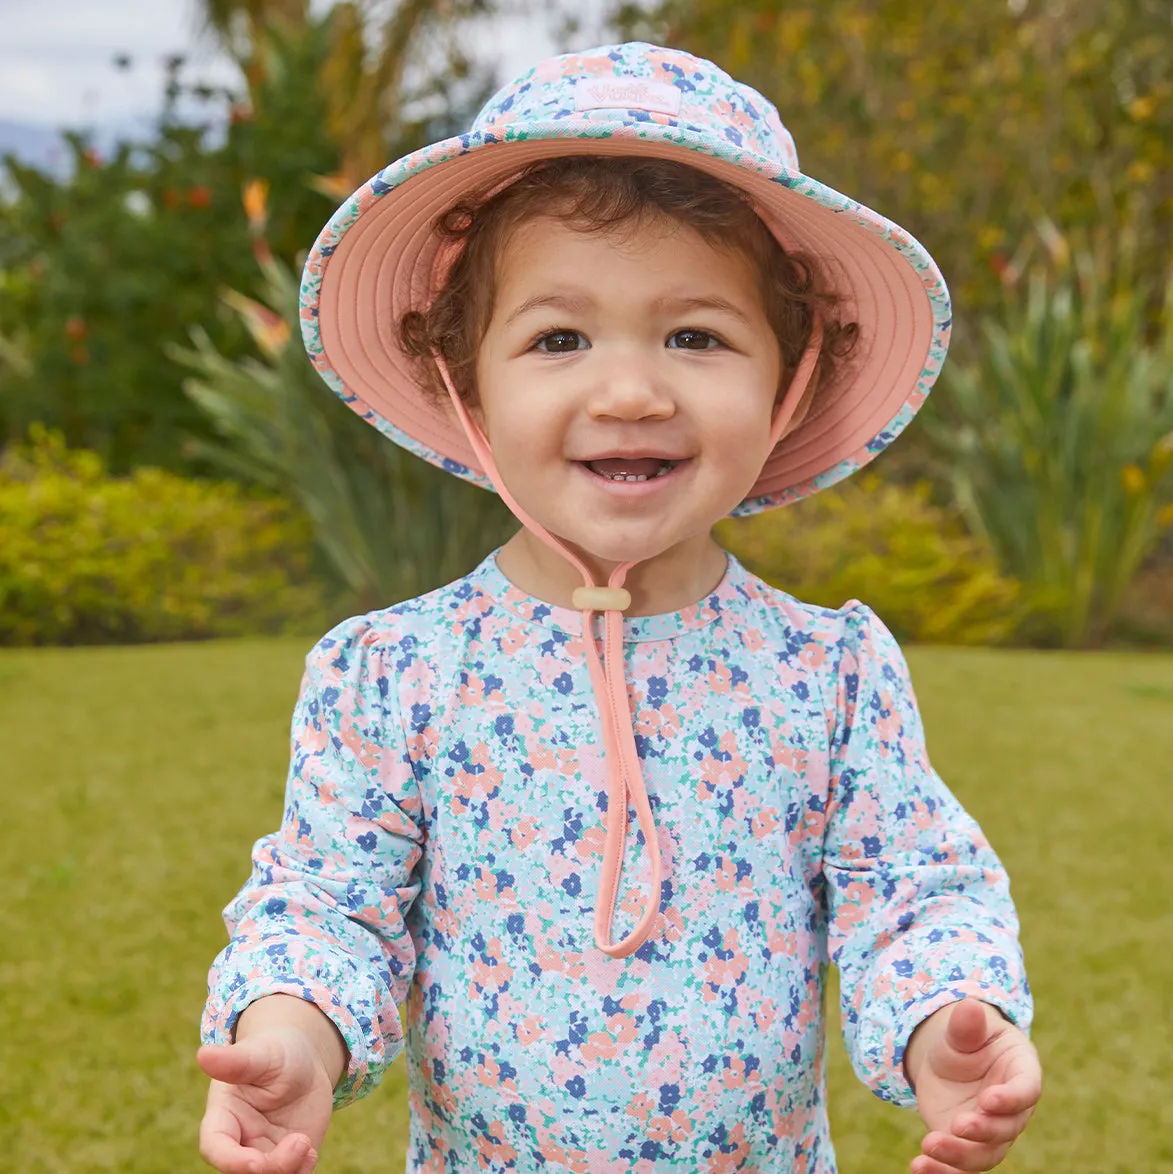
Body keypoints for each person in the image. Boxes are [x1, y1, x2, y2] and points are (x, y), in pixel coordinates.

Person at [196, 41, 1041, 1174]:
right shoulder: (393, 673)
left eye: (697, 336)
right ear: (469, 384)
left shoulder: (828, 672)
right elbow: (330, 904)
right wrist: (290, 1036)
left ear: (790, 381)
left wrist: (950, 1028)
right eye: (559, 339)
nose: (633, 391)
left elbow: (911, 892)